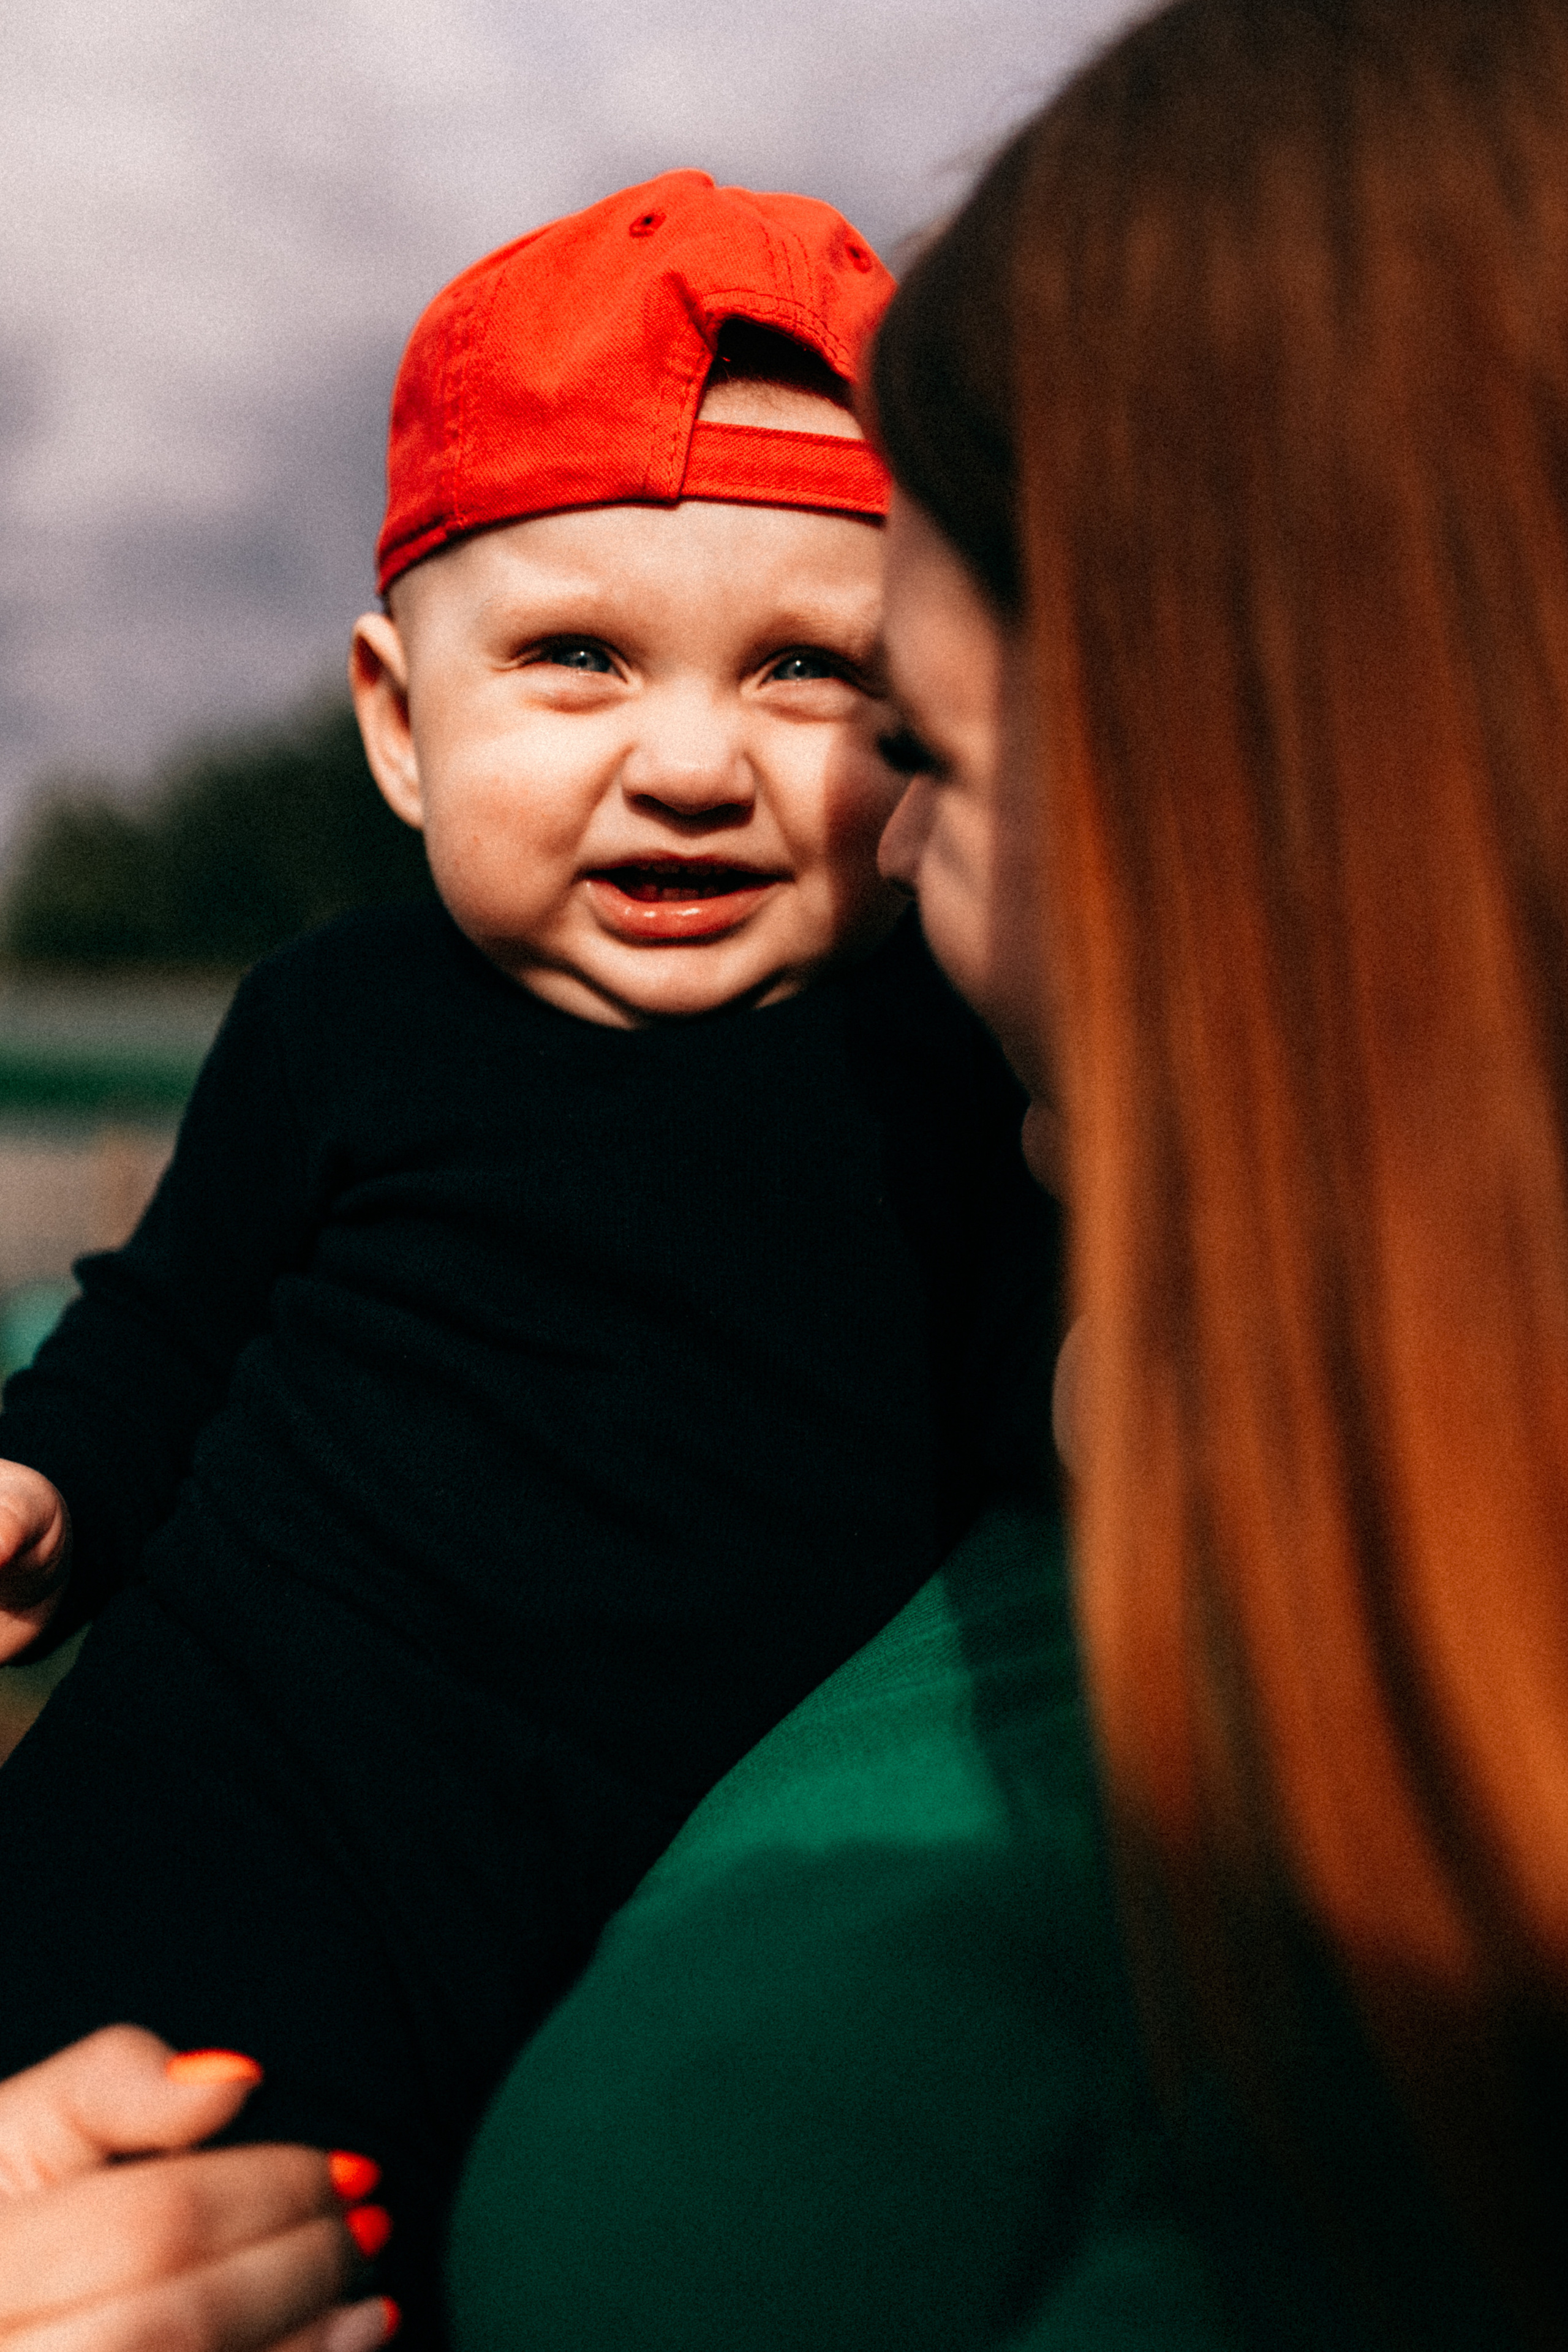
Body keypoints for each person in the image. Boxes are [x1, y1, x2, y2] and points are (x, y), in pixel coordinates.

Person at [0, 171, 1054, 2347]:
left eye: (810, 674)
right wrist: (50, 1488)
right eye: (579, 659)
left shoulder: (958, 1077)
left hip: (630, 1911)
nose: (690, 761)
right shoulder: (336, 1017)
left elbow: (1027, 1442)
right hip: (226, 1793)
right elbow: (168, 1322)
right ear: (403, 722)